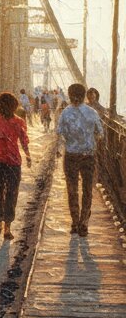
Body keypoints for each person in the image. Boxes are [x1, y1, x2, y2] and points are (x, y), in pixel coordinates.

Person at [0, 92, 32, 240]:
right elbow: (23, 141)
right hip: (12, 162)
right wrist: (28, 155)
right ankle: (6, 226)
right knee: (10, 193)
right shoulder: (18, 122)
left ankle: (0, 223)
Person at [57, 81, 104, 237]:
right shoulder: (92, 112)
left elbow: (59, 133)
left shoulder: (65, 113)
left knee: (72, 190)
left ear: (70, 96)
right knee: (87, 189)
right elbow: (101, 133)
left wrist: (70, 141)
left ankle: (75, 222)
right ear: (84, 96)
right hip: (88, 156)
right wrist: (90, 142)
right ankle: (84, 223)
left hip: (71, 155)